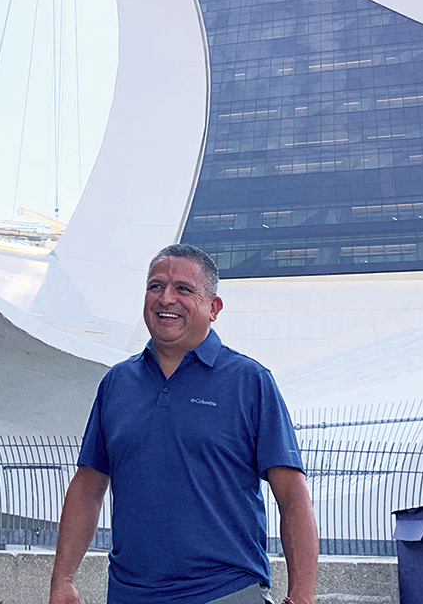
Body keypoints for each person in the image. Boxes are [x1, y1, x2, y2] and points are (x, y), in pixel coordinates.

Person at [48, 244, 319, 604]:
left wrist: (303, 595)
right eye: (156, 286)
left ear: (214, 308)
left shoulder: (249, 381)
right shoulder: (116, 383)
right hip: (129, 595)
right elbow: (87, 486)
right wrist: (63, 580)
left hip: (226, 592)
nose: (166, 298)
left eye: (184, 289)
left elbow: (292, 495)